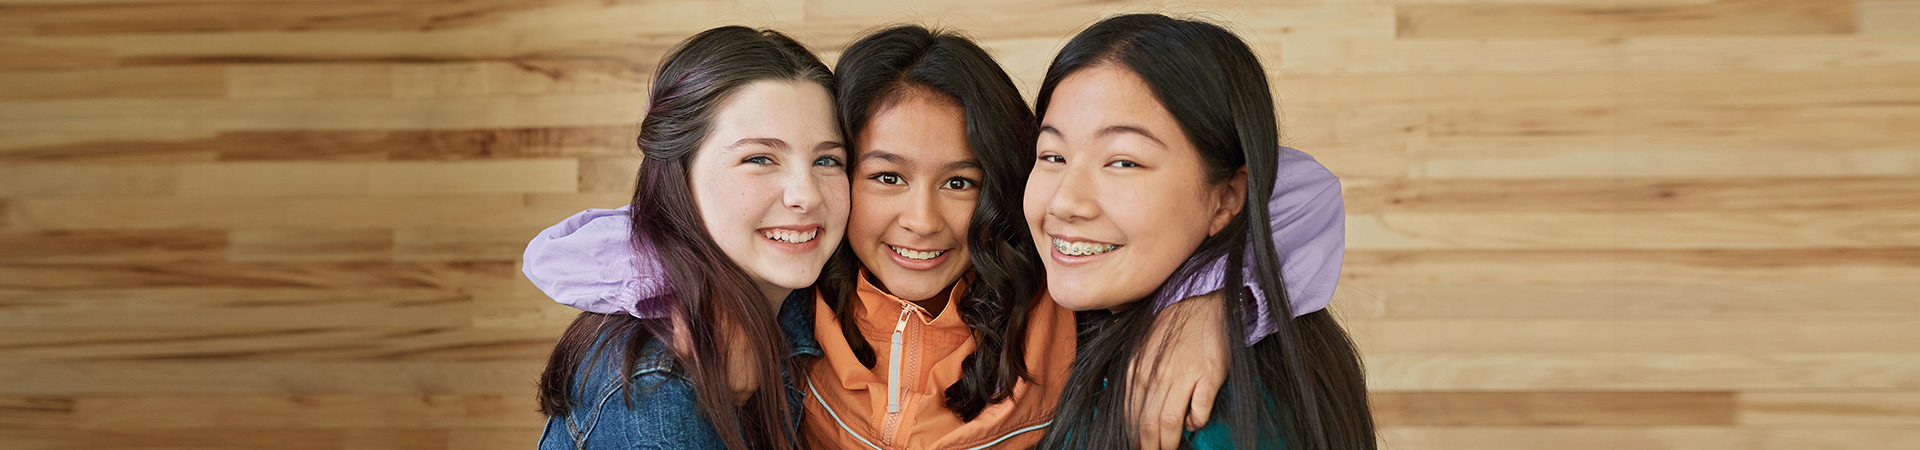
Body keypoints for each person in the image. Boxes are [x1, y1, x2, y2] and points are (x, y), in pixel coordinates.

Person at [1027, 14, 1375, 450]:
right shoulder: (1096, 313)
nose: (1064, 202)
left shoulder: (1199, 406)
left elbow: (1305, 183)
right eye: (1052, 155)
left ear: (1227, 197)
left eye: (1123, 161)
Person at [530, 26, 846, 450]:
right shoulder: (660, 385)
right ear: (681, 175)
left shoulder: (801, 302)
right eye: (759, 158)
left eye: (827, 159)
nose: (805, 195)